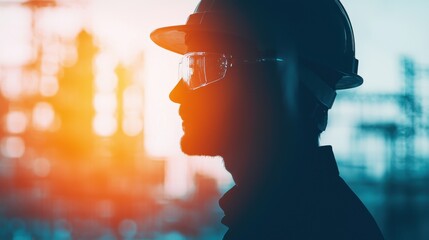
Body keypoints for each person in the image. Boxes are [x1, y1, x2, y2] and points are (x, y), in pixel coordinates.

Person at [151, 0, 384, 239]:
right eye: (189, 69)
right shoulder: (309, 216)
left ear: (273, 86)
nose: (176, 93)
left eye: (203, 66)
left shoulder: (297, 228)